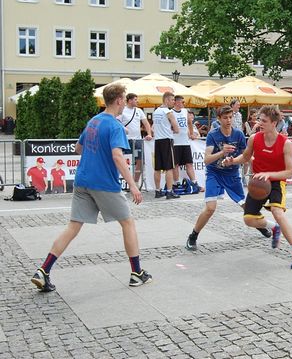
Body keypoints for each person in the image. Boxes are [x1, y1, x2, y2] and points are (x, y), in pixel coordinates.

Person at [30, 83, 151, 293]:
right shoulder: (114, 126)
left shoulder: (93, 121)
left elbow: (78, 148)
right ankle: (137, 273)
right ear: (120, 100)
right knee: (128, 223)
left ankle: (44, 270)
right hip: (104, 183)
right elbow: (117, 156)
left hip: (82, 181)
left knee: (73, 226)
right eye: (124, 99)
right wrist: (133, 185)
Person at [224, 105, 292, 270]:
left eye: (263, 120)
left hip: (276, 181)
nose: (259, 123)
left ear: (274, 123)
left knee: (278, 212)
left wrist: (269, 174)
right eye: (259, 119)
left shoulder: (286, 143)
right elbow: (246, 157)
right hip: (259, 182)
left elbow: (289, 172)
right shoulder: (254, 138)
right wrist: (232, 161)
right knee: (249, 219)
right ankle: (273, 228)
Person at [186, 106, 272, 250]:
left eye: (230, 117)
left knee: (246, 205)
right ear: (219, 119)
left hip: (232, 174)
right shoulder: (213, 135)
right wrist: (221, 153)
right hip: (215, 173)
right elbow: (207, 160)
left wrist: (258, 165)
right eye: (225, 118)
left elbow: (246, 155)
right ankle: (193, 236)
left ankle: (259, 226)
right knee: (210, 209)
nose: (228, 120)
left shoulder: (238, 134)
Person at [117, 93, 153, 187]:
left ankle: (135, 182)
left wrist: (149, 133)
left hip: (137, 140)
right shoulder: (123, 110)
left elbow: (146, 123)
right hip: (126, 140)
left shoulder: (139, 111)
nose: (137, 101)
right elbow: (116, 121)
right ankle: (125, 182)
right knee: (125, 162)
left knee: (140, 161)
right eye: (135, 99)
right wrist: (123, 129)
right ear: (129, 100)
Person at [171, 95, 203, 192]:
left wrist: (191, 133)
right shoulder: (171, 112)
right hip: (175, 142)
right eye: (182, 102)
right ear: (176, 102)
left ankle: (194, 182)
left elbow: (189, 122)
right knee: (175, 165)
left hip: (185, 142)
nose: (183, 104)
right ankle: (176, 183)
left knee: (189, 163)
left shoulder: (185, 111)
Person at [153, 92, 180, 199]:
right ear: (167, 100)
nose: (174, 102)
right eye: (172, 100)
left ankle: (157, 190)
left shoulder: (156, 112)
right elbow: (177, 129)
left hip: (158, 140)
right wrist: (172, 129)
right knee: (169, 167)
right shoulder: (168, 112)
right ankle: (169, 191)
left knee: (158, 168)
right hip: (167, 140)